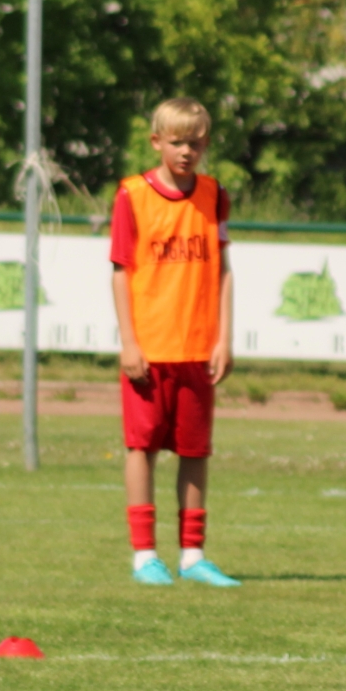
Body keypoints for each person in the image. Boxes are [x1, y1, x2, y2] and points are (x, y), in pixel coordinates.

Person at [110, 97, 237, 587]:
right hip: (150, 348)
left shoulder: (214, 194)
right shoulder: (132, 195)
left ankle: (193, 556)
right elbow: (121, 273)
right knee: (141, 448)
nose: (187, 151)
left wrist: (223, 338)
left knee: (195, 451)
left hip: (198, 349)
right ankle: (144, 555)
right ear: (156, 142)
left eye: (196, 143)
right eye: (177, 142)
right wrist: (129, 342)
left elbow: (223, 270)